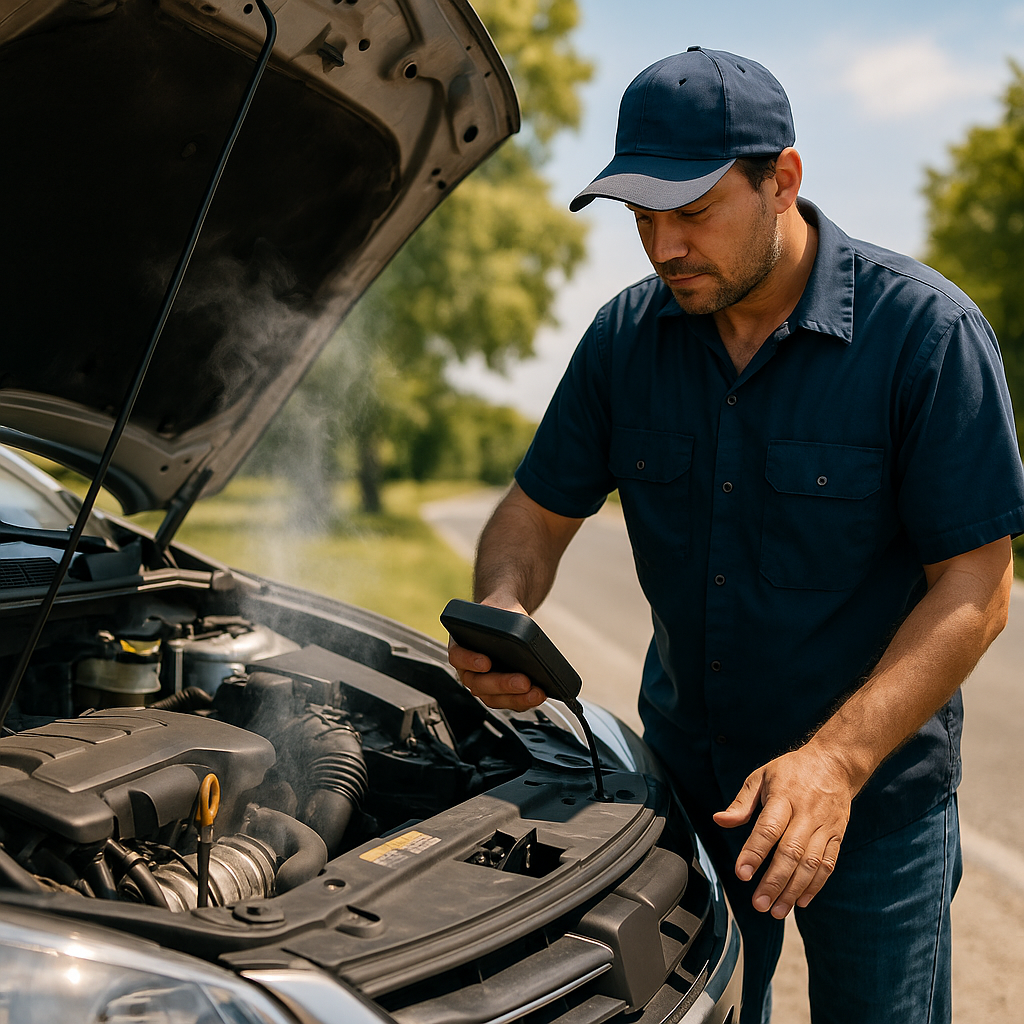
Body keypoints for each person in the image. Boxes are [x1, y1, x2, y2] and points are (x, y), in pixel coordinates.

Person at [447, 47, 1024, 1023]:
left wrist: (833, 762)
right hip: (685, 789)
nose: (663, 245)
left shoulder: (925, 334)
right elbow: (532, 516)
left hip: (875, 800)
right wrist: (504, 602)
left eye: (691, 209)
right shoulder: (623, 338)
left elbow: (976, 587)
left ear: (782, 179)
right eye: (640, 218)